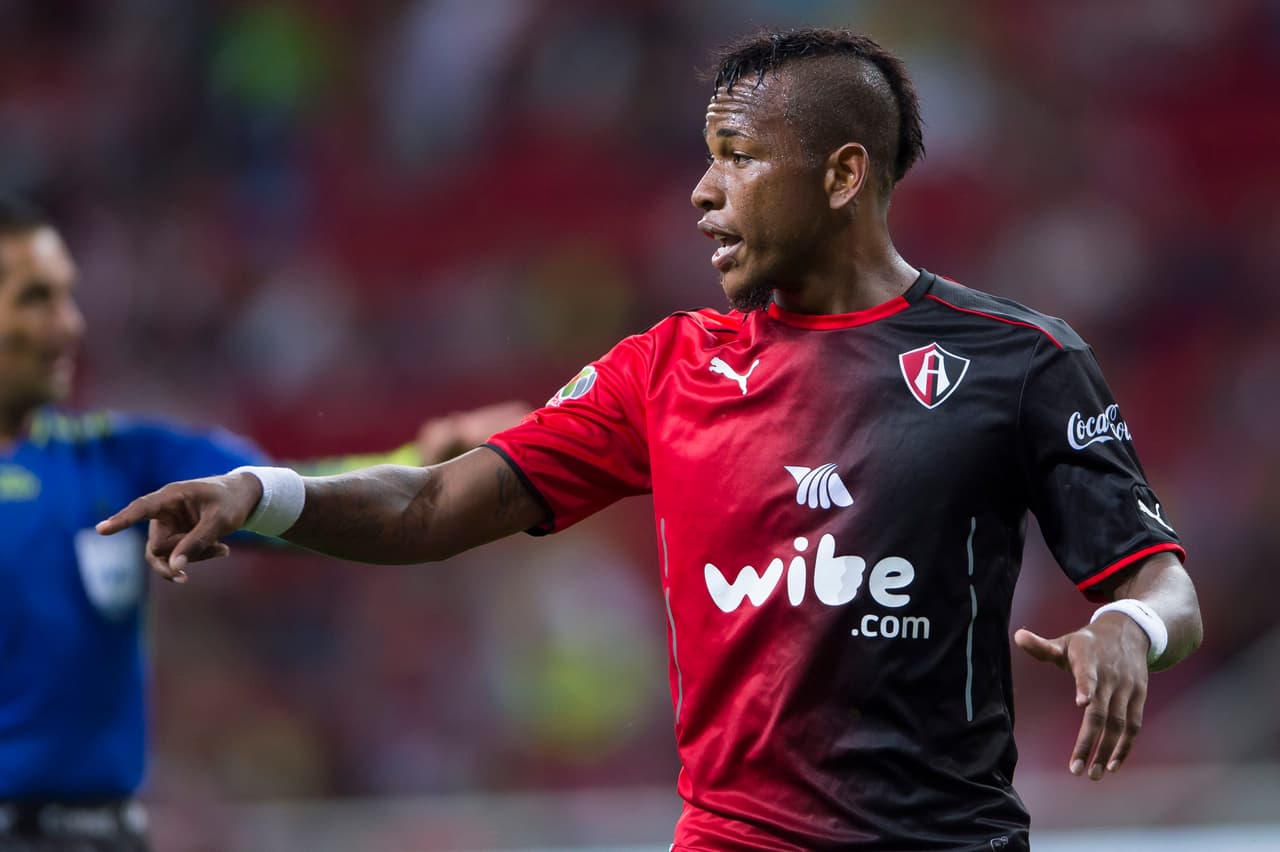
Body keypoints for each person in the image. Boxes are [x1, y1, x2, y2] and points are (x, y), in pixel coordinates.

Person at [99, 28, 1202, 852]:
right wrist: (263, 493)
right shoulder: (664, 369)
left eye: (735, 156)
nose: (700, 191)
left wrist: (1124, 625)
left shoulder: (1019, 361)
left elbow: (1163, 586)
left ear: (842, 174)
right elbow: (433, 505)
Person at [0, 195, 525, 852]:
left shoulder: (120, 461)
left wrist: (417, 464)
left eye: (69, 298)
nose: (69, 325)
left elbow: (287, 493)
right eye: (35, 299)